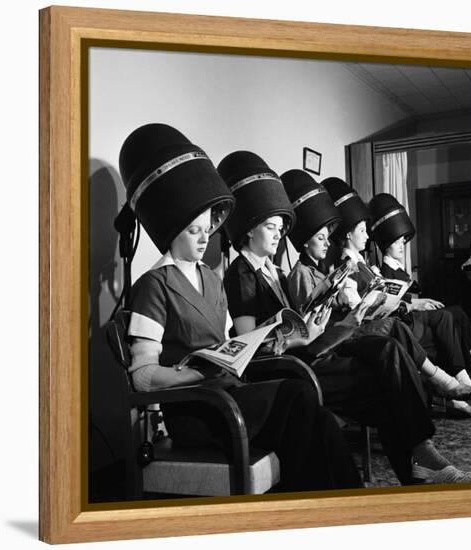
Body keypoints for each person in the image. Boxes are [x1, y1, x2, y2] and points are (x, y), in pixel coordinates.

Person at [119, 123, 362, 493]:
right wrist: (197, 376)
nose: (204, 239)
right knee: (298, 400)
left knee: (321, 420)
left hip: (231, 392)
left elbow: (230, 342)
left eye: (207, 229)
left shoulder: (213, 281)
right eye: (193, 231)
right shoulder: (153, 285)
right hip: (198, 409)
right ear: (171, 229)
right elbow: (143, 376)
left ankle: (347, 509)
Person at [219, 153, 471, 485]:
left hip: (309, 352)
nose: (279, 235)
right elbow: (248, 346)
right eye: (271, 228)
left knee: (388, 366)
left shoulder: (274, 272)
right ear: (249, 230)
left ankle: (420, 465)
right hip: (291, 367)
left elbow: (292, 322)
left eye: (281, 229)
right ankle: (421, 462)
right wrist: (297, 335)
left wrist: (322, 315)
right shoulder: (241, 274)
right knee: (386, 373)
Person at [323, 178, 471, 404]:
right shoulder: (345, 268)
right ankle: (448, 387)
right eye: (363, 231)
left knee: (442, 320)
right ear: (348, 235)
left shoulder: (363, 265)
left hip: (389, 318)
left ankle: (453, 387)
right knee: (434, 322)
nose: (368, 236)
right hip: (375, 326)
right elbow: (357, 310)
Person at [368, 193, 471, 416]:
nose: (402, 246)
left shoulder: (398, 269)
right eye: (398, 242)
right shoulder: (383, 271)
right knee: (447, 316)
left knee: (452, 314)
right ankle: (459, 380)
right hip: (402, 320)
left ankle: (461, 380)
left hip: (409, 314)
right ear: (387, 244)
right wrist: (416, 302)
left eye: (403, 242)